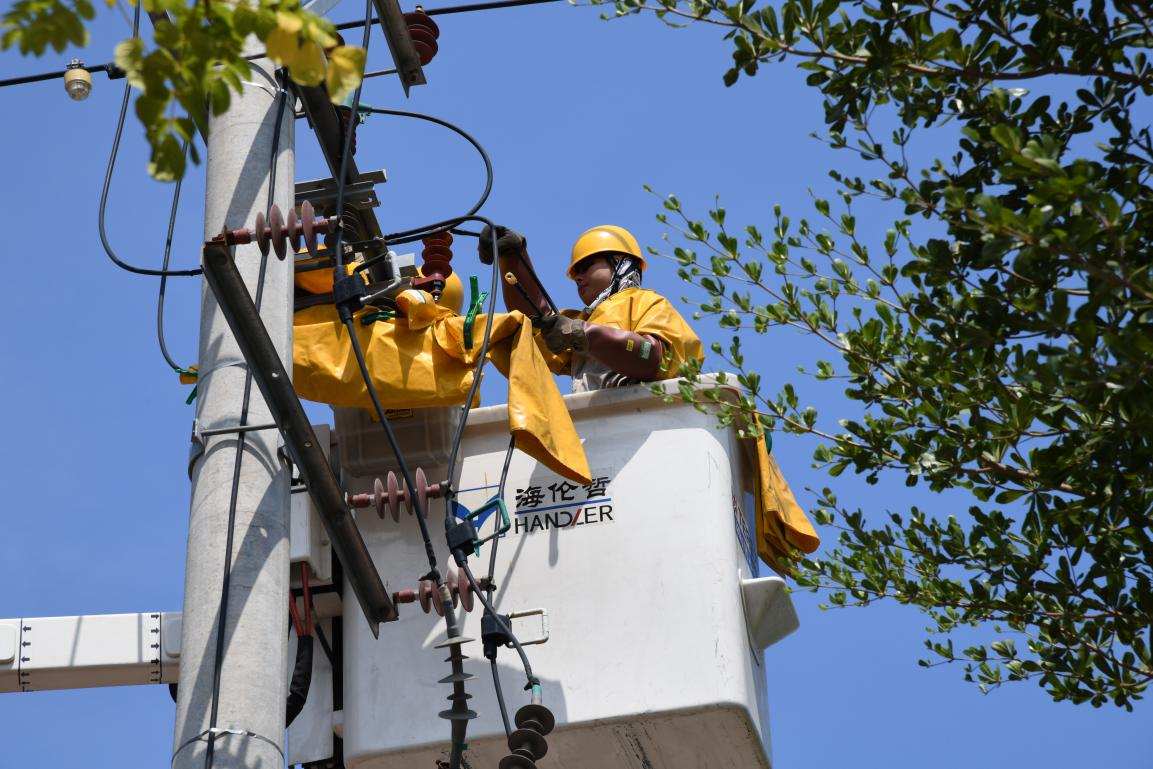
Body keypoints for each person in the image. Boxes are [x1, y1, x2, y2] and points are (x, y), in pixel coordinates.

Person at [480, 224, 702, 392]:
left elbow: (653, 357)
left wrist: (584, 335)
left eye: (586, 267)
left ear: (621, 263)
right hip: (597, 429)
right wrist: (512, 256)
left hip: (644, 422)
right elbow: (536, 322)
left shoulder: (647, 303)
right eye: (575, 274)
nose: (578, 277)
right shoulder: (585, 319)